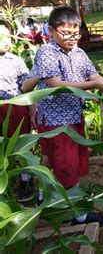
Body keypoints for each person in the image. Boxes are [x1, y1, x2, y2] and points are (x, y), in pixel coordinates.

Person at [33, 6, 103, 225]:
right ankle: (77, 214)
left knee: (67, 162)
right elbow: (55, 85)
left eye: (76, 32)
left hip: (74, 115)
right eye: (66, 33)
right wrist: (93, 84)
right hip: (55, 121)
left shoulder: (79, 52)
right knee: (65, 164)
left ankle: (49, 195)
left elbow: (92, 73)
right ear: (51, 30)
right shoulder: (46, 52)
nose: (72, 38)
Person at [0, 19, 38, 202]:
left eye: (8, 36)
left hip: (15, 108)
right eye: (1, 37)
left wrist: (32, 112)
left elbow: (27, 88)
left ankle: (26, 181)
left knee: (22, 145)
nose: (6, 41)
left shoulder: (16, 61)